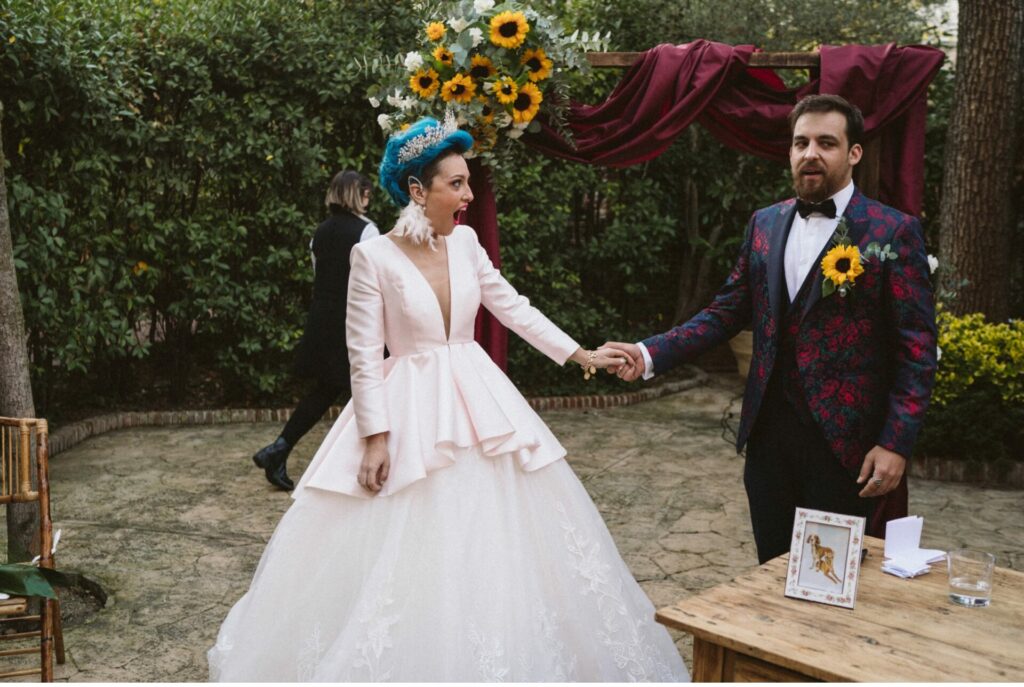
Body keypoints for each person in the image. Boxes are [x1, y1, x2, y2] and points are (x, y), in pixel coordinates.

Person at [209, 115, 689, 682]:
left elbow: (513, 307)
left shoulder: (466, 243)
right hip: (407, 403)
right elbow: (363, 353)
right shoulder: (374, 257)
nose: (467, 195)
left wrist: (579, 354)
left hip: (477, 399)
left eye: (467, 182)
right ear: (418, 189)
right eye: (455, 184)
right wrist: (375, 437)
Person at [604, 94, 937, 564]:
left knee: (832, 580)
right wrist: (649, 352)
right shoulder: (765, 223)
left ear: (853, 153)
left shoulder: (891, 231)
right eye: (801, 142)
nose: (811, 154)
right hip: (769, 443)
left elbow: (917, 349)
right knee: (772, 571)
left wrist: (895, 443)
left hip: (847, 448)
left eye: (826, 142)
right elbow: (724, 313)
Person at [252, 171, 379, 490]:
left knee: (327, 389)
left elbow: (319, 275)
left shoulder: (318, 234)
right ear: (358, 194)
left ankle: (279, 448)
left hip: (324, 318)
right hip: (356, 319)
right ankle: (359, 464)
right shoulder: (367, 232)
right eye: (367, 192)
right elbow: (376, 281)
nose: (370, 198)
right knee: (374, 386)